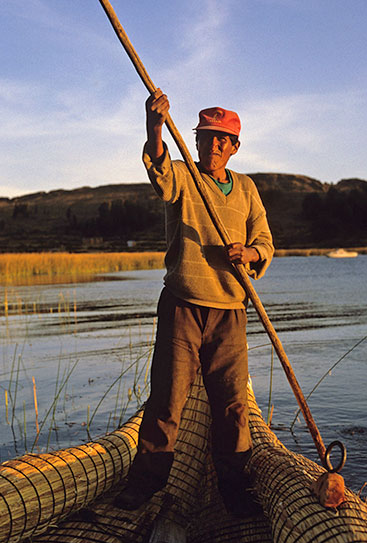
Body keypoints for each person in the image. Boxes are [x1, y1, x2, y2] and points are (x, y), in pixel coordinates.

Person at [114, 89, 274, 516]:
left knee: (233, 405)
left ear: (235, 147)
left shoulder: (246, 189)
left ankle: (235, 491)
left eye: (223, 139)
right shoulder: (184, 176)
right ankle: (144, 485)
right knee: (167, 399)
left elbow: (265, 242)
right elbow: (159, 170)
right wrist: (155, 124)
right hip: (183, 305)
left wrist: (250, 253)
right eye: (207, 137)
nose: (215, 145)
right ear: (197, 141)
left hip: (229, 312)